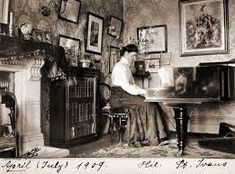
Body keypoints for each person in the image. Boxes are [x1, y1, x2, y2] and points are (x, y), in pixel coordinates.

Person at [110, 44, 168, 147]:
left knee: (152, 103)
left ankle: (159, 136)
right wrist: (144, 93)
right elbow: (126, 87)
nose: (135, 59)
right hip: (119, 97)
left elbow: (133, 86)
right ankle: (152, 138)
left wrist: (145, 91)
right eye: (133, 56)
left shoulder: (126, 67)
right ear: (126, 53)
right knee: (148, 105)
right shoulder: (119, 67)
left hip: (125, 95)